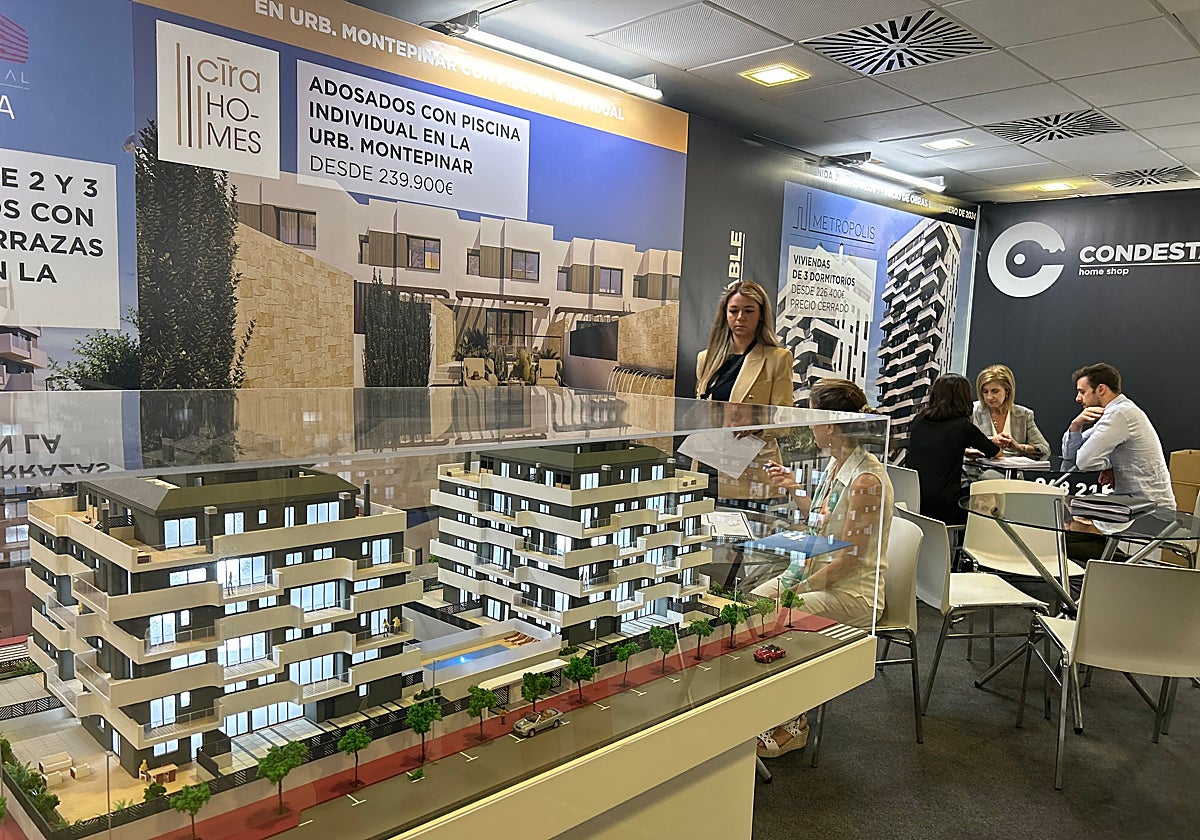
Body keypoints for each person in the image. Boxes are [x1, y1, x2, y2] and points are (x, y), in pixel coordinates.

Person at [750, 378, 892, 758]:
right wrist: (795, 488)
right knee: (751, 606)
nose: (809, 424)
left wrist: (797, 590)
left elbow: (849, 559)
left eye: (813, 416)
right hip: (822, 577)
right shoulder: (838, 465)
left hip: (854, 592)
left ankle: (794, 721)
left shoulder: (865, 480)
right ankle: (765, 707)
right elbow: (820, 523)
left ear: (830, 425)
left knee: (782, 615)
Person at [695, 279, 794, 504]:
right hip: (708, 461)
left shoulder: (777, 358)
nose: (740, 317)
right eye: (734, 311)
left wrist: (758, 425)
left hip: (751, 466)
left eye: (748, 311)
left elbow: (785, 418)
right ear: (725, 314)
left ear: (761, 316)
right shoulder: (706, 358)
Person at [1061, 363, 1174, 508]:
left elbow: (1084, 461)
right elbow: (1071, 456)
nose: (1078, 398)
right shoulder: (1117, 412)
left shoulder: (1120, 413)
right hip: (1136, 505)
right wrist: (1075, 426)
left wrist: (1109, 464)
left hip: (1150, 511)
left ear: (1101, 389)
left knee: (1070, 516)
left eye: (1082, 392)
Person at [907, 374, 1002, 526]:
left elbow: (934, 448)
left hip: (914, 502)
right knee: (990, 489)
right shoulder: (962, 426)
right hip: (946, 507)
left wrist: (964, 450)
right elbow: (995, 452)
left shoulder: (918, 421)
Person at [971, 364, 1051, 458]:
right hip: (979, 466)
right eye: (985, 392)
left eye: (995, 391)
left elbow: (1044, 449)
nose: (989, 397)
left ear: (1007, 391)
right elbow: (959, 445)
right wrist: (985, 443)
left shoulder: (1024, 415)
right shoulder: (971, 411)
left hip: (1012, 466)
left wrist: (1018, 447)